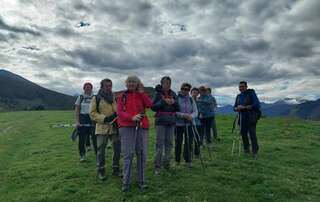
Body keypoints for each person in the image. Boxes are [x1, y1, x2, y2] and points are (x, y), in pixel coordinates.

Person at [117, 75, 153, 192]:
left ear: (138, 84)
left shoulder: (141, 95)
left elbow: (150, 105)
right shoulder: (122, 96)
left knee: (142, 154)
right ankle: (125, 183)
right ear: (126, 83)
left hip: (142, 127)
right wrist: (131, 117)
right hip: (127, 127)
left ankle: (141, 181)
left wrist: (142, 92)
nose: (131, 84)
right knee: (128, 155)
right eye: (129, 82)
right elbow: (120, 112)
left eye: (134, 82)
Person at [89, 78, 121, 180]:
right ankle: (101, 171)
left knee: (117, 149)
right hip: (102, 128)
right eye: (106, 86)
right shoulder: (96, 98)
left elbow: (117, 110)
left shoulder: (113, 97)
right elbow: (92, 113)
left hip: (114, 127)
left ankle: (116, 169)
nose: (108, 88)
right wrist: (105, 118)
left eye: (110, 86)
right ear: (102, 86)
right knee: (101, 151)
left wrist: (117, 116)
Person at [151, 76, 179, 175]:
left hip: (171, 122)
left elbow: (178, 107)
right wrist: (163, 101)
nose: (168, 85)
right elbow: (153, 107)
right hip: (160, 122)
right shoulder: (158, 94)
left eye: (169, 83)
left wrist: (174, 102)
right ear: (162, 84)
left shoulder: (173, 94)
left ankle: (166, 164)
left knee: (170, 144)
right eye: (166, 83)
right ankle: (157, 167)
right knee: (159, 144)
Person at [234, 81, 261, 158]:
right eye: (240, 87)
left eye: (242, 86)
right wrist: (236, 108)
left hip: (251, 117)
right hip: (242, 118)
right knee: (243, 134)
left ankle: (255, 152)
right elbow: (234, 107)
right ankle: (246, 150)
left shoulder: (251, 93)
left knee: (252, 134)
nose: (241, 88)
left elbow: (257, 105)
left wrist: (244, 107)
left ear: (246, 87)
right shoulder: (238, 96)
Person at [175, 83, 198, 167]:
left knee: (188, 142)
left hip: (189, 124)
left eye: (187, 89)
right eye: (184, 89)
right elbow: (174, 111)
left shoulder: (191, 100)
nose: (185, 90)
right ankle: (177, 160)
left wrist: (190, 116)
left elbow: (196, 112)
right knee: (178, 142)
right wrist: (183, 115)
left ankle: (187, 160)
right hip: (178, 124)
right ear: (181, 89)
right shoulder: (176, 98)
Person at [75, 82, 97, 162]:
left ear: (92, 88)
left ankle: (98, 155)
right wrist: (77, 121)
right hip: (82, 118)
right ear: (84, 88)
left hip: (93, 118)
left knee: (95, 138)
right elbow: (77, 109)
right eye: (86, 87)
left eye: (89, 87)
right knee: (82, 138)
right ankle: (82, 155)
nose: (88, 88)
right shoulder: (80, 97)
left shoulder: (95, 97)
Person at [190, 87, 202, 157]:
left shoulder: (199, 102)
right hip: (191, 122)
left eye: (196, 93)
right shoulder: (189, 100)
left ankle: (197, 153)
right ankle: (190, 152)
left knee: (197, 138)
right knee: (190, 138)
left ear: (198, 94)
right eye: (193, 92)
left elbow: (201, 110)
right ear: (191, 93)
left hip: (198, 122)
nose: (195, 94)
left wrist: (201, 113)